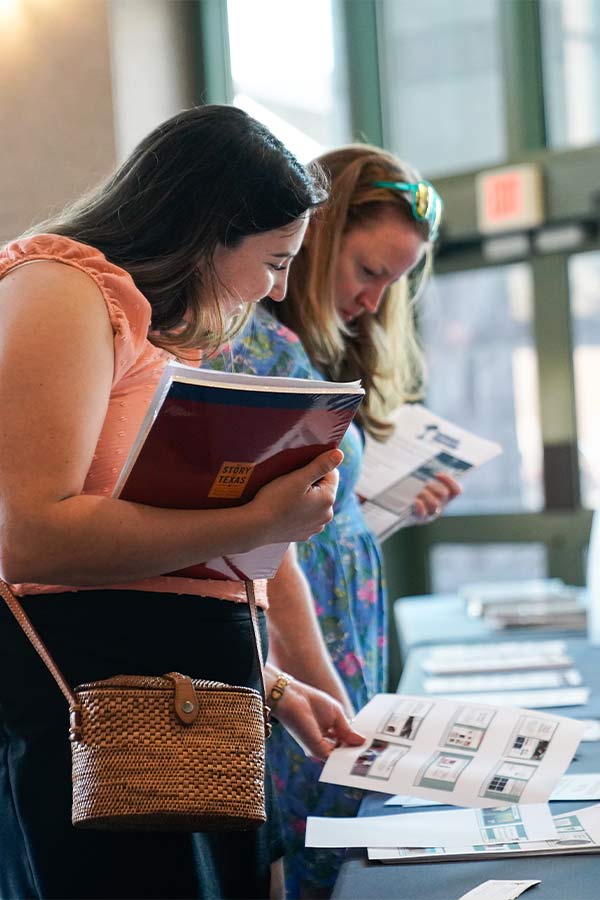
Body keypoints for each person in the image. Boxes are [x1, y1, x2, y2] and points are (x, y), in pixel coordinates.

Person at [0, 106, 366, 900]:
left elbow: (163, 549)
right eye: (273, 260)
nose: (278, 289)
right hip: (94, 695)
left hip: (179, 688)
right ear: (208, 229)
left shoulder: (158, 323)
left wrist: (269, 681)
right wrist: (263, 519)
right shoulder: (61, 286)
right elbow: (32, 538)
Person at [206, 144, 462, 898]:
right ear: (314, 241)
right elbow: (271, 546)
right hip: (302, 643)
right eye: (369, 272)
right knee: (325, 842)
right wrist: (324, 693)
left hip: (328, 636)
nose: (377, 301)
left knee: (341, 842)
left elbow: (310, 519)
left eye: (395, 284)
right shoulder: (259, 350)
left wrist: (374, 510)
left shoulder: (309, 352)